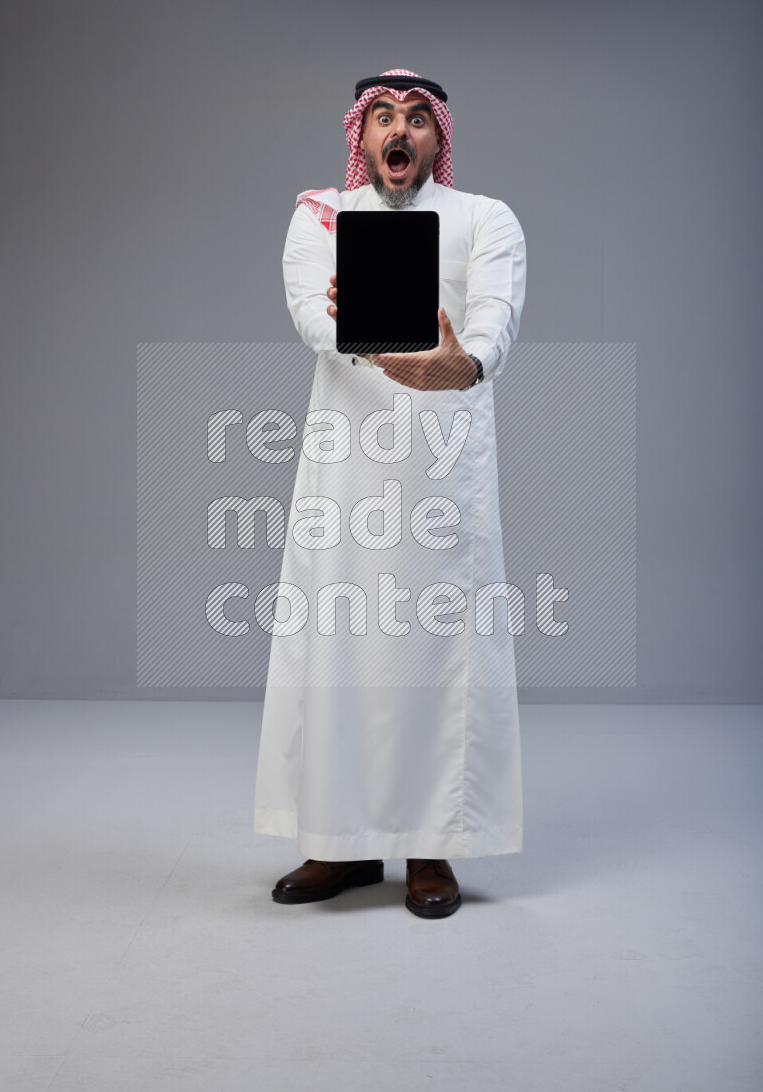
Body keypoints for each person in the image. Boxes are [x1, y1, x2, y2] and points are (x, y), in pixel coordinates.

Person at [252, 69, 527, 918]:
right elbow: (312, 315)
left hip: (442, 463)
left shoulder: (485, 218)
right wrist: (377, 344)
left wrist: (466, 365)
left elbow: (493, 316)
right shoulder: (320, 218)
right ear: (361, 136)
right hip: (346, 464)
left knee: (435, 652)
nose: (398, 130)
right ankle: (340, 845)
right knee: (339, 646)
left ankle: (431, 847)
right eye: (382, 117)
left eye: (416, 118)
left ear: (437, 140)